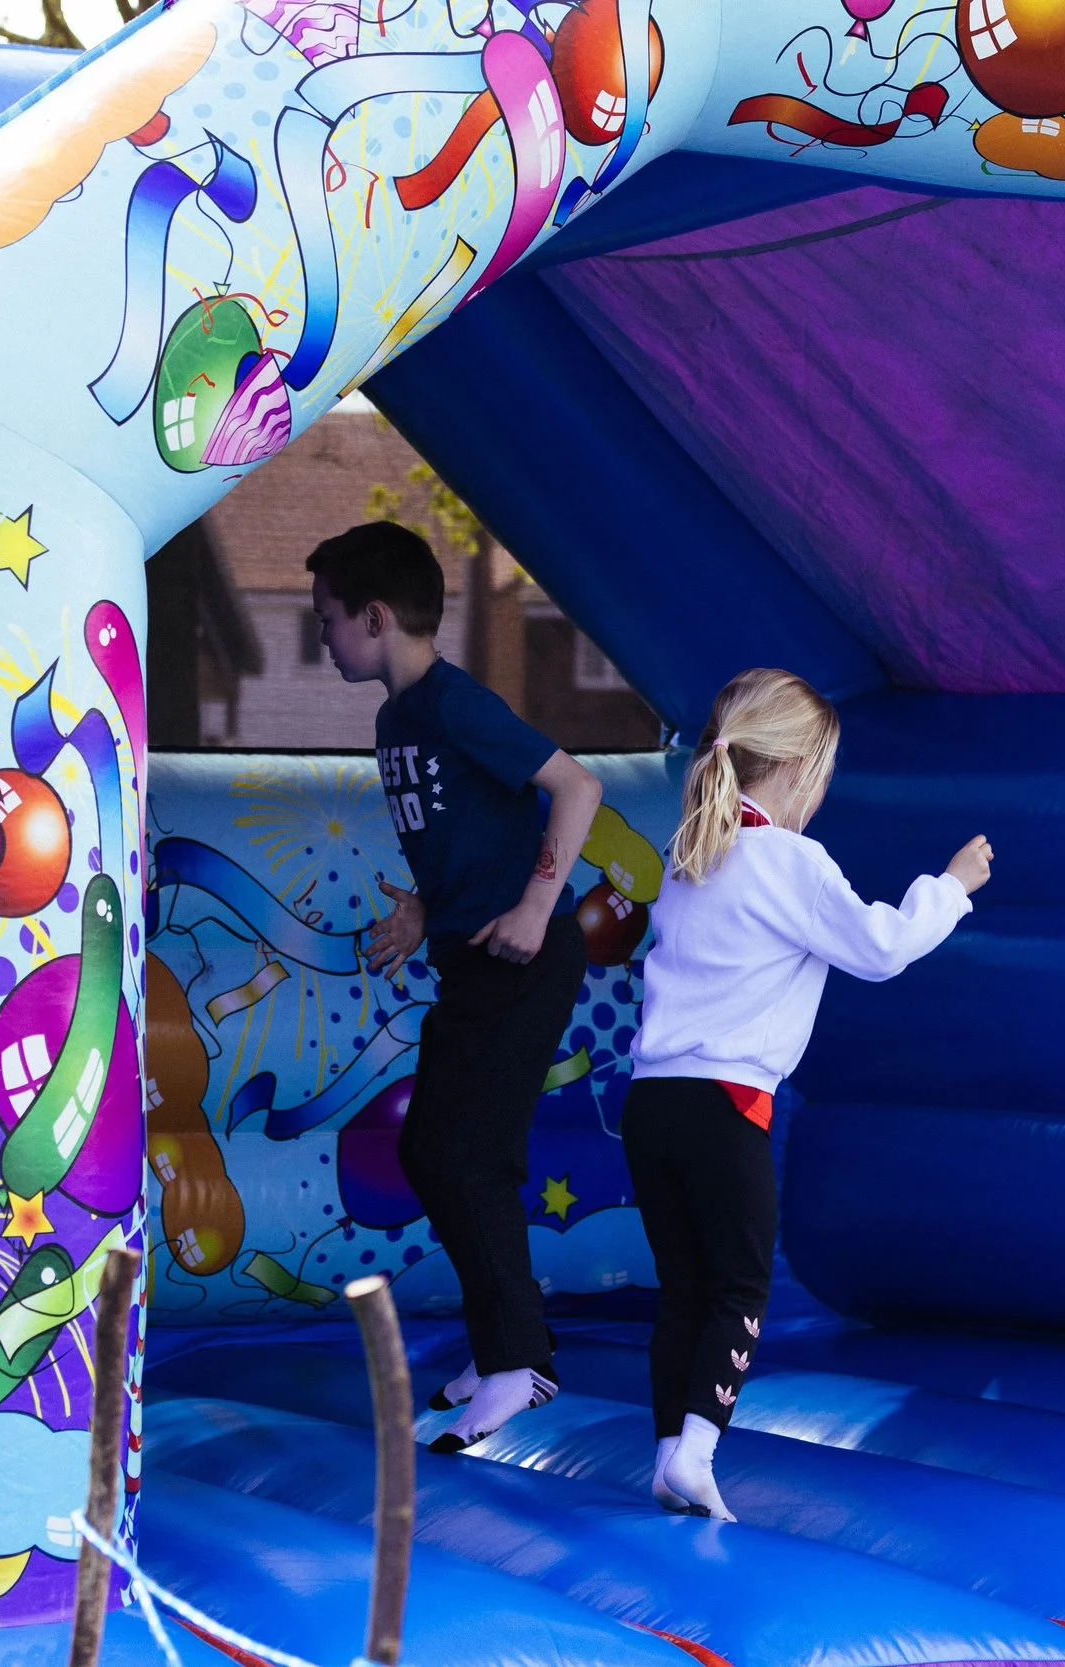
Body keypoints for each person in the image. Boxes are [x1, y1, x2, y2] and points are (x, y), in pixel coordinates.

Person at [625, 667, 992, 1519]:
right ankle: (699, 1450)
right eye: (821, 777)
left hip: (653, 1103)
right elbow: (881, 945)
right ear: (794, 770)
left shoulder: (692, 855)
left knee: (683, 1286)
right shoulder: (788, 859)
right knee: (740, 1285)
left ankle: (666, 1452)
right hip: (724, 1104)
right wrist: (952, 887)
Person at [309, 521, 603, 1453]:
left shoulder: (453, 702)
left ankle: (520, 1364)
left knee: (467, 1157)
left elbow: (577, 787)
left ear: (377, 615)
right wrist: (420, 914)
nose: (322, 638)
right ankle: (504, 1345)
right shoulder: (397, 721)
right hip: (471, 956)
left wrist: (533, 904)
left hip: (527, 955)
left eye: (328, 620)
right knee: (435, 1151)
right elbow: (464, 842)